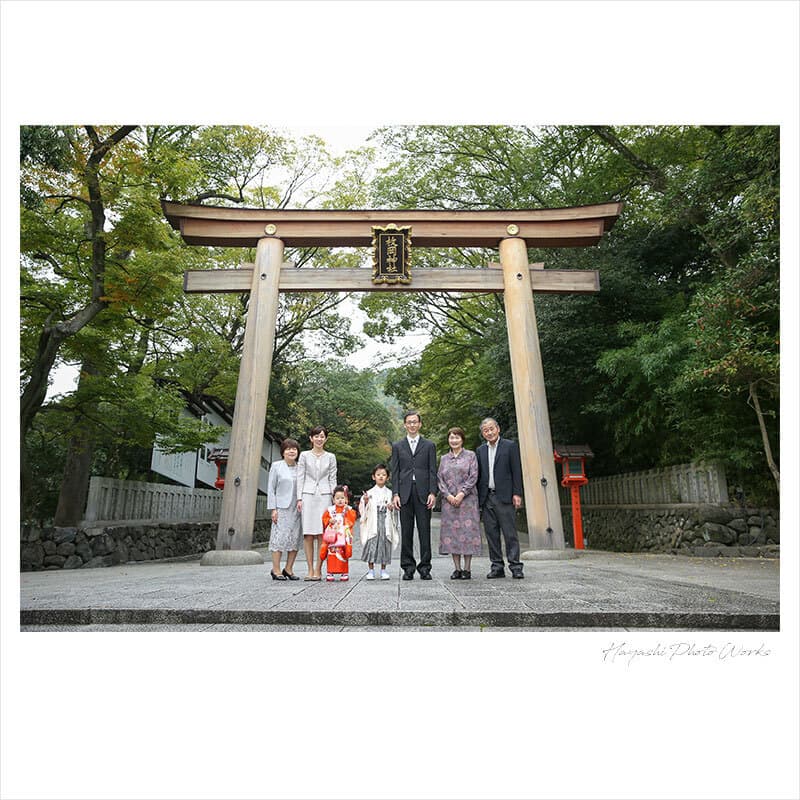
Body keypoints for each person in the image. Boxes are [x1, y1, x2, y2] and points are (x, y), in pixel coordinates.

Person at [390, 410, 437, 580]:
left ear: (420, 424)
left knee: (425, 531)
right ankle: (408, 567)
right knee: (406, 532)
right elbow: (395, 472)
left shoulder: (429, 445)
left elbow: (433, 470)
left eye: (415, 422)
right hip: (404, 494)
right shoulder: (397, 446)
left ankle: (425, 568)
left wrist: (433, 492)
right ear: (404, 425)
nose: (412, 425)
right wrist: (395, 493)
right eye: (409, 422)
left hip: (424, 492)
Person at [475, 417, 524, 579]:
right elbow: (479, 475)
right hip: (487, 496)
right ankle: (497, 566)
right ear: (482, 433)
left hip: (505, 496)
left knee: (510, 533)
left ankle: (515, 566)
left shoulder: (510, 446)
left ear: (498, 429)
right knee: (491, 533)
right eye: (485, 430)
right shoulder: (480, 450)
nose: (489, 432)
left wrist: (517, 493)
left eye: (491, 429)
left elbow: (516, 471)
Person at [437, 427, 481, 580]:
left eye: (457, 437)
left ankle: (467, 569)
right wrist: (448, 496)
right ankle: (457, 568)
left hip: (468, 501)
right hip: (449, 503)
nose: (454, 440)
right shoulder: (444, 459)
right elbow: (439, 479)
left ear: (462, 439)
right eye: (451, 438)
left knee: (467, 533)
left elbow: (473, 476)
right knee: (453, 534)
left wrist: (462, 493)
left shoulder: (471, 456)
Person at [296, 425, 338, 581]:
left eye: (322, 436)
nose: (319, 439)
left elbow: (332, 478)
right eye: (316, 436)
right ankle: (309, 569)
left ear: (326, 439)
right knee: (308, 534)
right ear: (311, 438)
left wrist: (335, 500)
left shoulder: (331, 457)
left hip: (325, 495)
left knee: (322, 533)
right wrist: (299, 498)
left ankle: (319, 569)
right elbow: (300, 477)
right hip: (308, 495)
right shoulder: (304, 456)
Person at [266, 438, 303, 581]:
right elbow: (271, 488)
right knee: (279, 538)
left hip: (297, 508)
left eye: (294, 448)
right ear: (283, 452)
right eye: (288, 449)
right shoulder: (277, 466)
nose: (291, 451)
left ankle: (288, 568)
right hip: (281, 507)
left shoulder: (301, 467)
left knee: (294, 539)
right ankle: (275, 570)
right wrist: (273, 509)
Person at [358, 464, 400, 581]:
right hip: (373, 522)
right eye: (378, 475)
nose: (381, 477)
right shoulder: (369, 492)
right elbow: (363, 510)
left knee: (384, 544)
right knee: (371, 544)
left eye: (383, 475)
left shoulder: (391, 493)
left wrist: (391, 507)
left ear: (388, 477)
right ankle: (371, 570)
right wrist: (365, 502)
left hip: (385, 521)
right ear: (373, 477)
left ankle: (383, 570)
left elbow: (394, 509)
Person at [320, 485, 356, 582]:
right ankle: (330, 572)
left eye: (342, 498)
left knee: (343, 553)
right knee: (331, 552)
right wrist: (329, 520)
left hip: (343, 534)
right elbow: (324, 518)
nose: (340, 500)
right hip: (333, 535)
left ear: (346, 499)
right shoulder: (330, 510)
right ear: (333, 499)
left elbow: (352, 519)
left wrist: (346, 521)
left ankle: (344, 572)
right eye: (337, 498)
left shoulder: (348, 509)